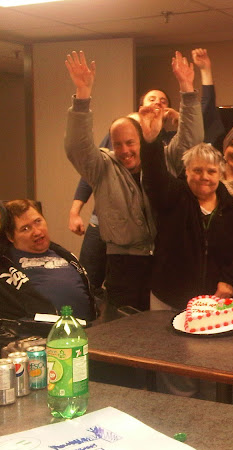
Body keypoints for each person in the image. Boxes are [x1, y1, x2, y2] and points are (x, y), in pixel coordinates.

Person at [63, 50, 203, 312]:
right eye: (118, 144)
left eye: (131, 143)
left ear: (143, 138)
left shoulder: (164, 158)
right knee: (123, 336)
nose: (125, 150)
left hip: (165, 264)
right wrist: (82, 95)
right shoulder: (102, 166)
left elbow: (191, 141)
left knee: (164, 340)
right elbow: (77, 147)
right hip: (123, 267)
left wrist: (187, 89)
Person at [138, 104, 233, 310]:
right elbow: (154, 177)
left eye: (211, 171)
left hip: (214, 303)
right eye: (197, 170)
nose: (204, 177)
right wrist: (151, 141)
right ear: (186, 171)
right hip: (169, 301)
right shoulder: (172, 196)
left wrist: (231, 280)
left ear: (220, 174)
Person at [0, 200, 95, 321]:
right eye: (25, 228)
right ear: (11, 236)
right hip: (35, 338)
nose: (36, 232)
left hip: (88, 332)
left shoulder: (63, 254)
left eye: (38, 221)